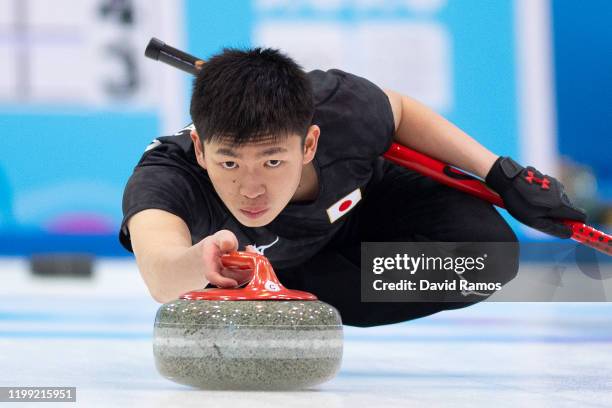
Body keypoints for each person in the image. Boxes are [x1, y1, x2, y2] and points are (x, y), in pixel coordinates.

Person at [119, 48, 586, 327]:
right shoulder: (167, 175)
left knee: (485, 260)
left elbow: (398, 111)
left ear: (309, 143)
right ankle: (284, 295)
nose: (251, 188)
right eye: (229, 162)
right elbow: (160, 272)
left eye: (273, 160)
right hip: (283, 271)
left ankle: (305, 295)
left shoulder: (340, 108)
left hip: (364, 207)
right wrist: (195, 261)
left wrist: (501, 174)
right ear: (200, 150)